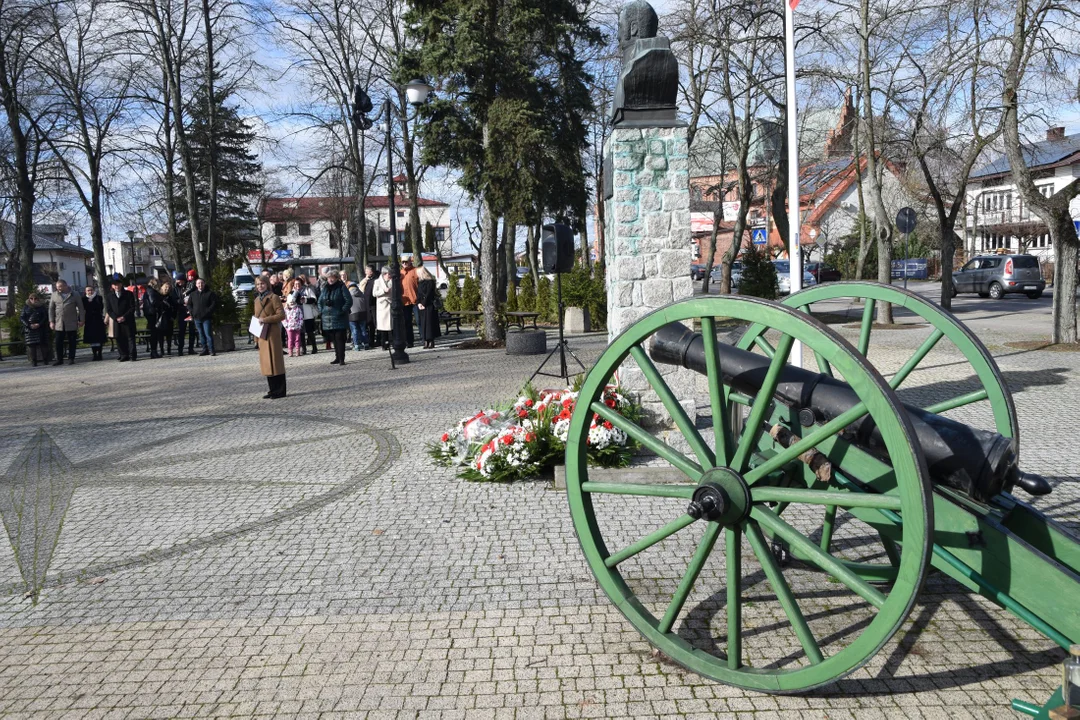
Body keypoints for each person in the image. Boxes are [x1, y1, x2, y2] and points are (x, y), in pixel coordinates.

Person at [253, 276, 287, 399]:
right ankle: (272, 389)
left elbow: (281, 315)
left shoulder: (274, 297)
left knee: (276, 361)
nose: (260, 286)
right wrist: (255, 339)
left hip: (272, 332)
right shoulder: (257, 300)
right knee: (267, 363)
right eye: (258, 284)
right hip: (262, 333)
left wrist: (266, 320)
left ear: (267, 284)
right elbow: (256, 319)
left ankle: (280, 390)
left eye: (262, 284)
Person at [317, 268, 351, 365]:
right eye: (328, 278)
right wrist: (322, 310)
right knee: (333, 339)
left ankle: (341, 358)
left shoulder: (341, 287)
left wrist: (342, 310)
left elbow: (348, 301)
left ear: (336, 278)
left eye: (332, 278)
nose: (330, 280)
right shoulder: (325, 288)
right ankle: (337, 357)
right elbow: (319, 301)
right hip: (327, 318)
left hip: (339, 317)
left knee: (340, 338)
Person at [48, 279, 83, 365]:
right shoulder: (54, 295)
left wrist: (81, 320)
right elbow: (51, 309)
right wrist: (51, 321)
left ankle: (71, 358)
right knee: (58, 341)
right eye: (57, 287)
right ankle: (59, 359)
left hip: (71, 321)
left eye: (60, 287)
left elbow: (81, 308)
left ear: (65, 286)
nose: (58, 289)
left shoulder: (75, 294)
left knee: (72, 341)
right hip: (59, 322)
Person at [105, 273, 138, 361]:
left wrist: (124, 317)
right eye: (115, 285)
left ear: (121, 284)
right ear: (112, 286)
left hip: (127, 319)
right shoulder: (109, 296)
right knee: (119, 338)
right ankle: (123, 354)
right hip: (117, 321)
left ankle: (132, 355)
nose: (117, 286)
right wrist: (116, 318)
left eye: (118, 284)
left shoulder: (128, 294)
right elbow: (109, 309)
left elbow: (132, 307)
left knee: (130, 338)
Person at [188, 277, 217, 356]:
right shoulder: (193, 294)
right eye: (198, 283)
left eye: (202, 283)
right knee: (201, 334)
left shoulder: (210, 293)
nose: (200, 285)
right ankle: (205, 349)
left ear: (204, 284)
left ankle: (212, 350)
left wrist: (208, 311)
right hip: (197, 317)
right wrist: (192, 312)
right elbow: (189, 304)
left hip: (206, 317)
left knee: (208, 334)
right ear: (196, 285)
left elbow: (213, 304)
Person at [415, 265, 441, 350]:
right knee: (423, 323)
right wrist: (418, 303)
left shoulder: (430, 282)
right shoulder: (420, 283)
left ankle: (431, 340)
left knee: (429, 323)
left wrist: (423, 303)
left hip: (429, 305)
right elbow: (418, 294)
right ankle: (426, 340)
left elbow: (429, 294)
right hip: (422, 306)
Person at [21, 292, 50, 366]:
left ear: (38, 299)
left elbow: (45, 317)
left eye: (35, 298)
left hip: (41, 327)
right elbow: (22, 317)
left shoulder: (42, 307)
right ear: (29, 299)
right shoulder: (26, 307)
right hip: (30, 328)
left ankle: (45, 360)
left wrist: (39, 324)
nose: (33, 300)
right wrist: (29, 325)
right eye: (31, 298)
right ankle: (34, 361)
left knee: (43, 344)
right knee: (32, 345)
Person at [295, 274, 319, 355]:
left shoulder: (307, 290)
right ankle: (303, 349)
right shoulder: (293, 292)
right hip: (298, 316)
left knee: (310, 332)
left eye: (298, 284)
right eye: (296, 284)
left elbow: (314, 299)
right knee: (301, 333)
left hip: (308, 314)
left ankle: (314, 347)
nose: (297, 285)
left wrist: (305, 300)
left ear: (302, 284)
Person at [142, 278, 165, 359]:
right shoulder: (151, 291)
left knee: (154, 333)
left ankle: (154, 351)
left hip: (150, 313)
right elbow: (153, 302)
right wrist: (161, 302)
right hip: (153, 314)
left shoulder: (148, 291)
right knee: (154, 334)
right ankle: (153, 351)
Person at [82, 283, 106, 361]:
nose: (90, 292)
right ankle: (94, 354)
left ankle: (100, 354)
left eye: (91, 290)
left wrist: (93, 301)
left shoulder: (98, 298)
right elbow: (83, 309)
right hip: (89, 320)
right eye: (88, 290)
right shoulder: (83, 299)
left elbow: (101, 307)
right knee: (92, 338)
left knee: (99, 338)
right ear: (85, 291)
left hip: (98, 320)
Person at [346, 273, 369, 351]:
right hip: (362, 313)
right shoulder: (362, 294)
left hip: (352, 314)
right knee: (363, 329)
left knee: (355, 330)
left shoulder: (348, 295)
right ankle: (366, 343)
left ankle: (357, 345)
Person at [372, 266, 393, 350]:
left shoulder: (393, 281)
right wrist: (383, 291)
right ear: (384, 274)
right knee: (383, 326)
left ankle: (392, 342)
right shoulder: (377, 282)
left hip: (390, 304)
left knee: (391, 325)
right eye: (389, 274)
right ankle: (384, 343)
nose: (390, 275)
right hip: (382, 306)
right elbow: (374, 293)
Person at [400, 256, 418, 348]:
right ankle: (409, 341)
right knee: (407, 322)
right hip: (405, 301)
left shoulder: (415, 271)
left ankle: (425, 339)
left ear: (410, 262)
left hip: (415, 300)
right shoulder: (400, 273)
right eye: (403, 262)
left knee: (419, 321)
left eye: (406, 262)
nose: (404, 264)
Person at [361, 264, 376, 348]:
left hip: (373, 304)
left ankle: (374, 340)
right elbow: (361, 287)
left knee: (373, 323)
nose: (366, 271)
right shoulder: (366, 280)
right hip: (366, 304)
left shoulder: (375, 280)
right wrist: (365, 279)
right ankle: (369, 340)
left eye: (367, 270)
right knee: (369, 323)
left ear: (371, 271)